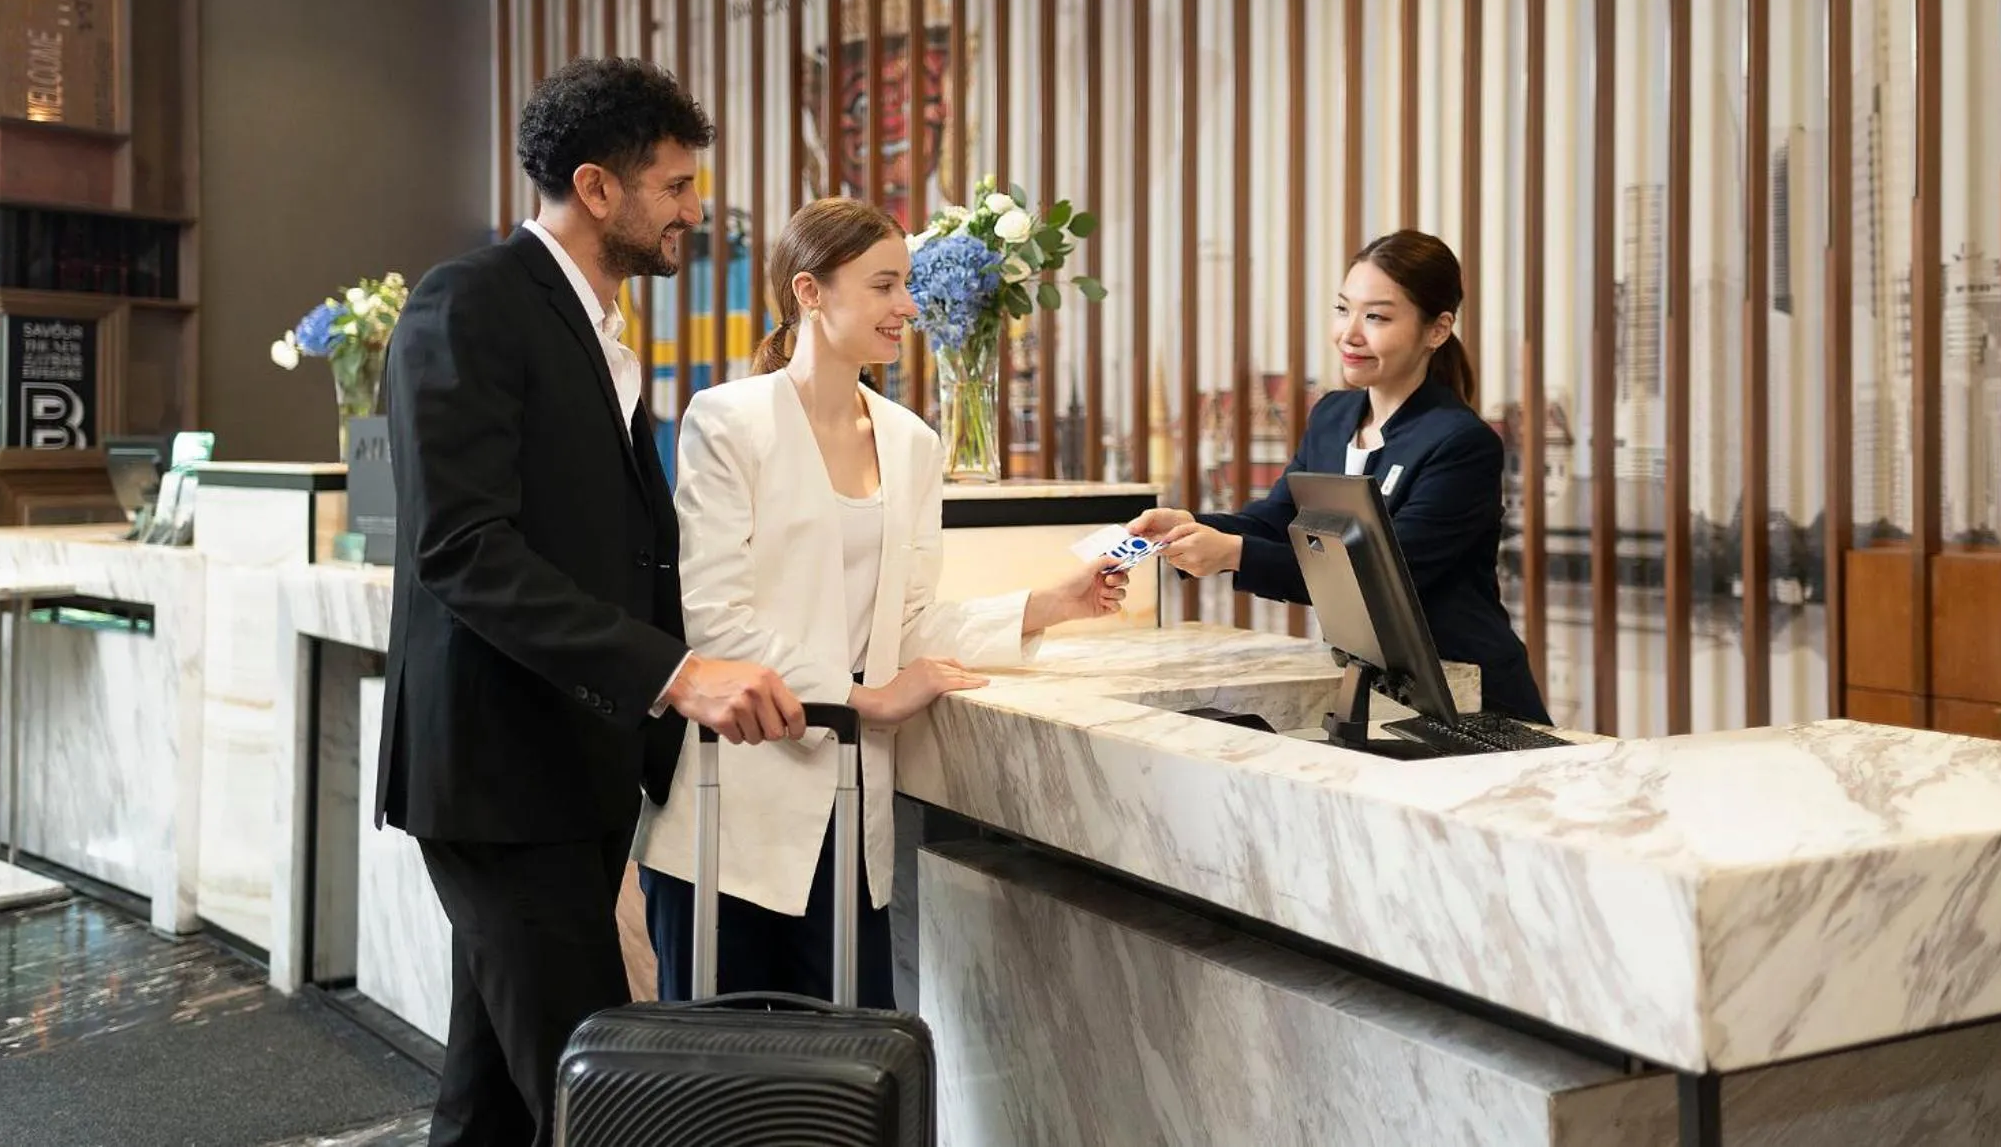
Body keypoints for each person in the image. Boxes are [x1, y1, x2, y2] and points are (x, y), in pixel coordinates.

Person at [378, 57, 806, 1147]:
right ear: (597, 187)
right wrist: (674, 673)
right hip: (498, 777)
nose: (694, 210)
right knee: (598, 1107)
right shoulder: (468, 303)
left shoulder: (600, 332)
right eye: (675, 186)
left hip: (570, 769)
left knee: (489, 1106)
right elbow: (463, 550)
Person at [633, 196, 1127, 1006]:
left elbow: (907, 624)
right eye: (884, 285)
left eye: (907, 285)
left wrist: (1049, 604)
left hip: (847, 808)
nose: (909, 307)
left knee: (848, 1062)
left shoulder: (912, 443)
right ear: (810, 291)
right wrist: (864, 698)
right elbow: (714, 620)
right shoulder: (728, 421)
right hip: (733, 802)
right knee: (724, 1065)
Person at [1129, 229, 1549, 724]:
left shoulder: (1460, 443)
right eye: (1343, 309)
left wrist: (1233, 553)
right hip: (1376, 689)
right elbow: (1277, 519)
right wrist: (1191, 524)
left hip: (1471, 696)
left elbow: (1383, 576)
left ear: (1437, 330)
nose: (1350, 333)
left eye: (1376, 317)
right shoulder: (1332, 417)